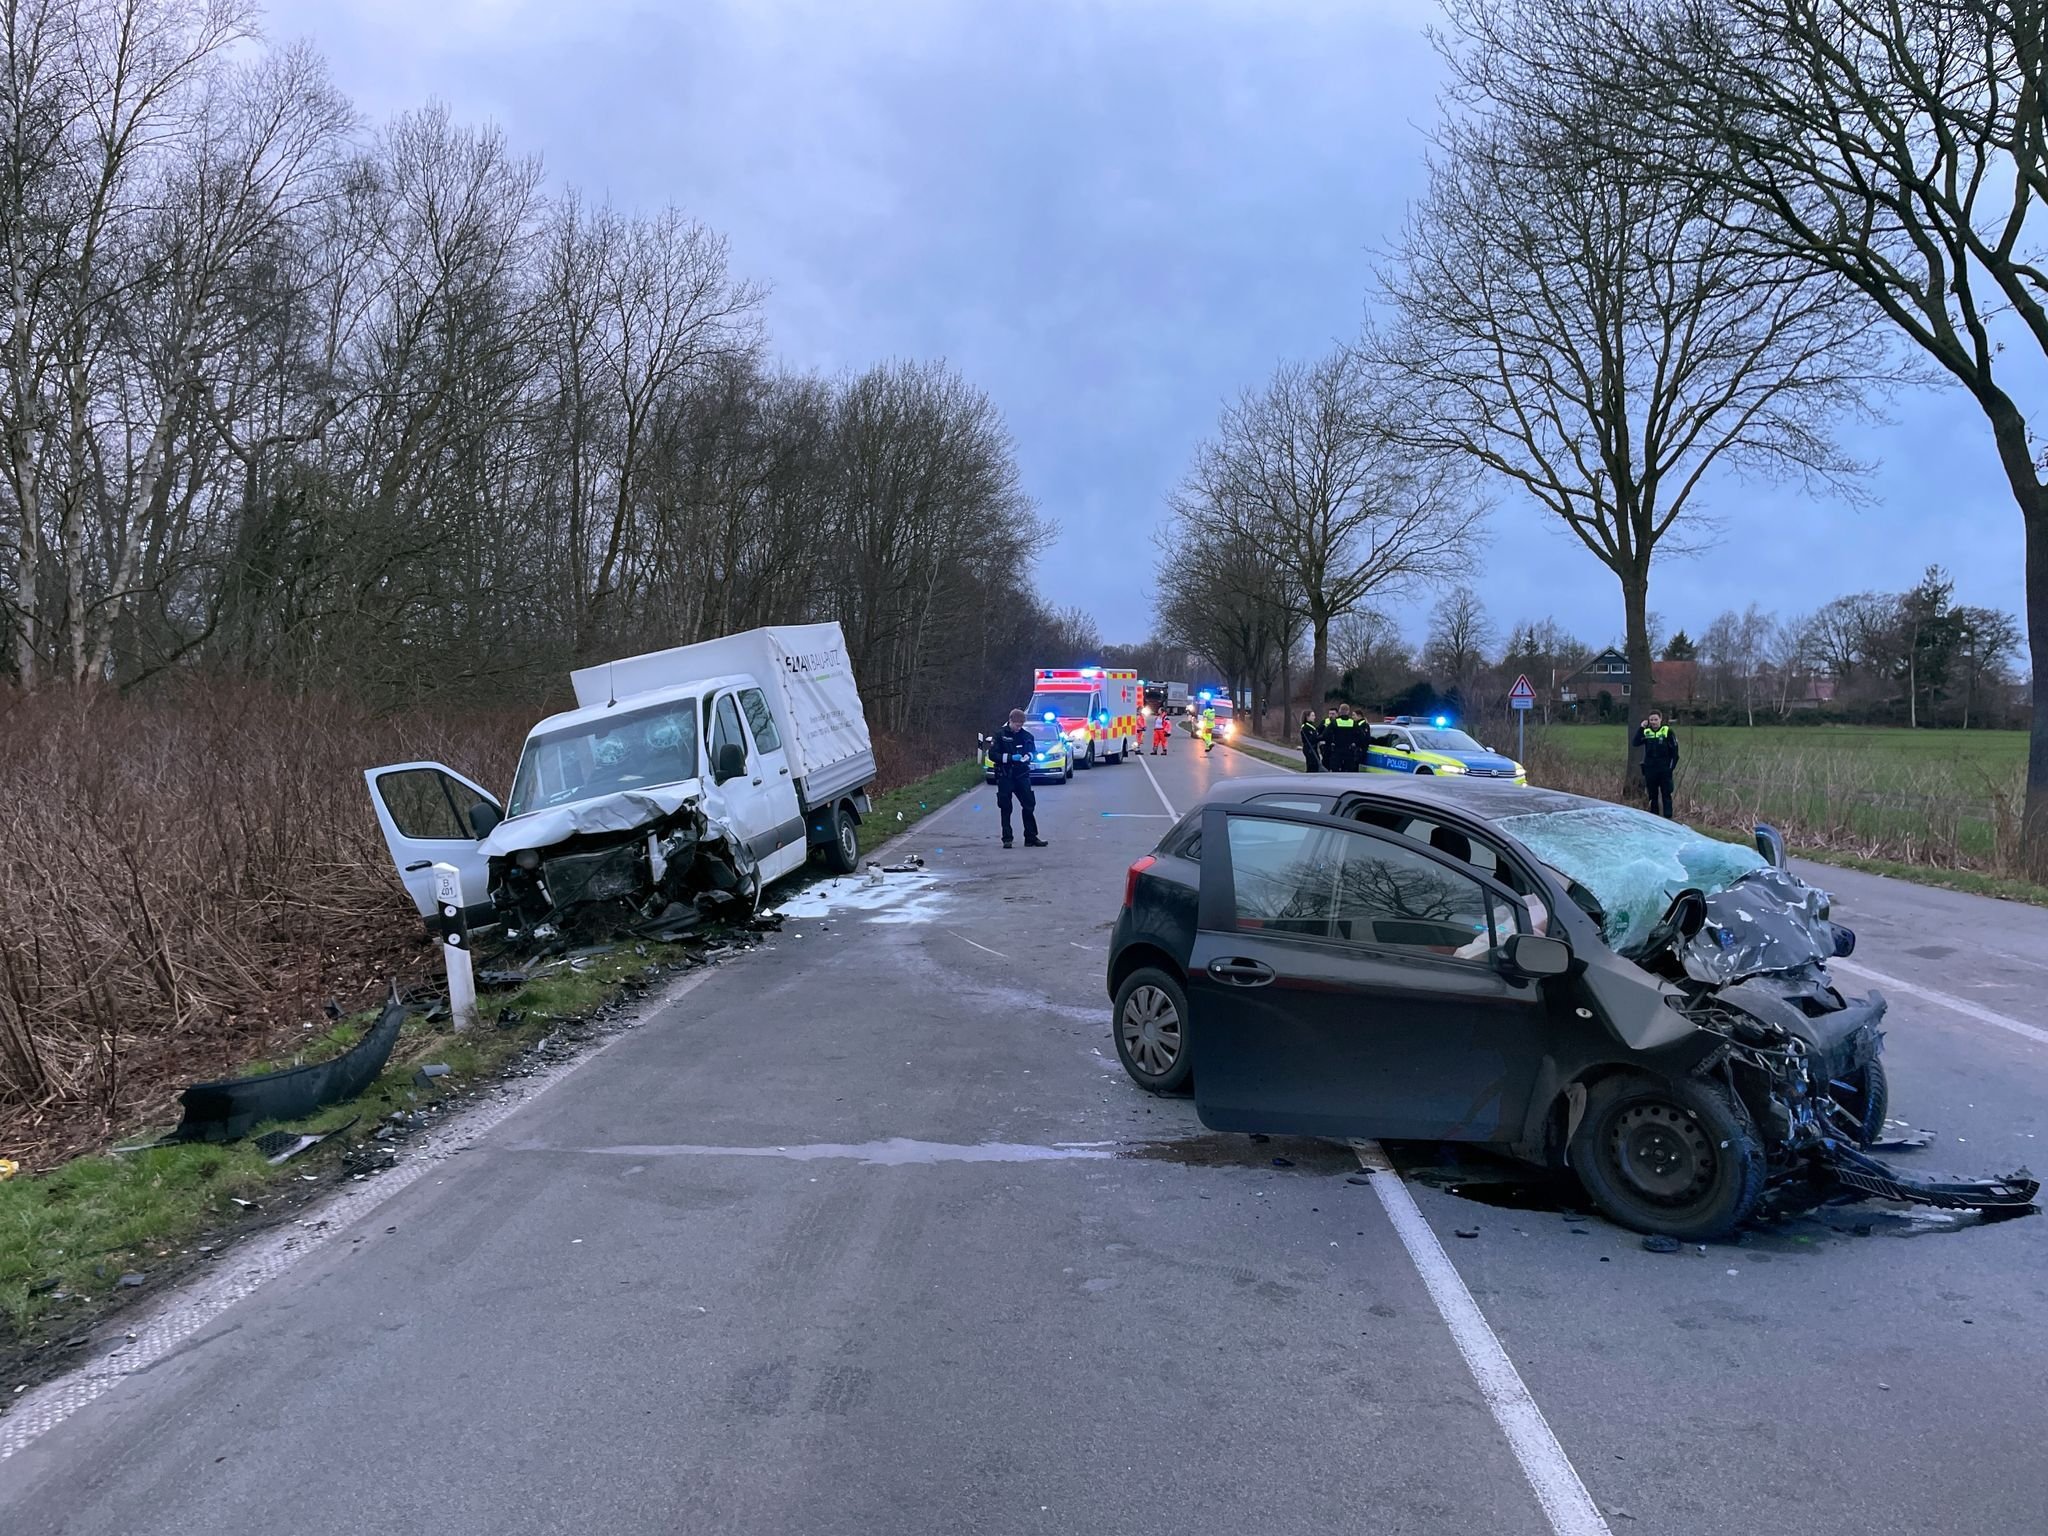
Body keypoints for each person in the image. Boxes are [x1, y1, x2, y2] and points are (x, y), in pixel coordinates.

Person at [989, 709, 1049, 849]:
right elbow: (993, 755)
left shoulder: (1027, 736)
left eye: (1021, 725)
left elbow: (1033, 752)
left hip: (1022, 776)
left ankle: (1031, 837)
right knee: (1006, 807)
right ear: (1010, 721)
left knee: (1029, 806)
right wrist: (1010, 758)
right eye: (1016, 724)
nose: (1018, 727)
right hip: (1005, 775)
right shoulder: (1000, 735)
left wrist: (1028, 757)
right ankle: (1007, 839)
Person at [1632, 710, 1680, 818]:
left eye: (1655, 720)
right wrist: (1641, 728)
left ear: (1660, 720)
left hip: (1664, 769)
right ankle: (1654, 818)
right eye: (1651, 720)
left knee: (1666, 795)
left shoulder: (1667, 731)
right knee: (1652, 795)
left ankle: (1668, 818)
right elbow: (1635, 743)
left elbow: (1675, 753)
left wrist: (1670, 768)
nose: (1653, 722)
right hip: (1650, 769)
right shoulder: (1646, 732)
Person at [1328, 704, 1360, 772]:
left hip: (1337, 750)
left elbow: (1326, 734)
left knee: (1335, 771)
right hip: (1349, 751)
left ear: (1339, 711)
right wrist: (1354, 742)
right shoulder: (1353, 723)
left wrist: (1331, 742)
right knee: (1348, 771)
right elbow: (1361, 735)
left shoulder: (1335, 722)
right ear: (1348, 711)